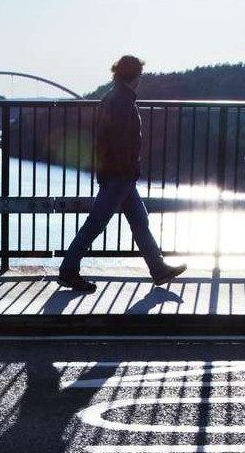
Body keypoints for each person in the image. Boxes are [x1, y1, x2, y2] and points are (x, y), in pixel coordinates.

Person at [57, 55, 186, 293]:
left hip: (119, 175)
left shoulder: (113, 98)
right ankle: (68, 271)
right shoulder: (122, 102)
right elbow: (120, 143)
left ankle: (158, 269)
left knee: (139, 221)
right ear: (135, 76)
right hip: (120, 176)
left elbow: (105, 141)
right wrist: (127, 171)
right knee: (96, 223)